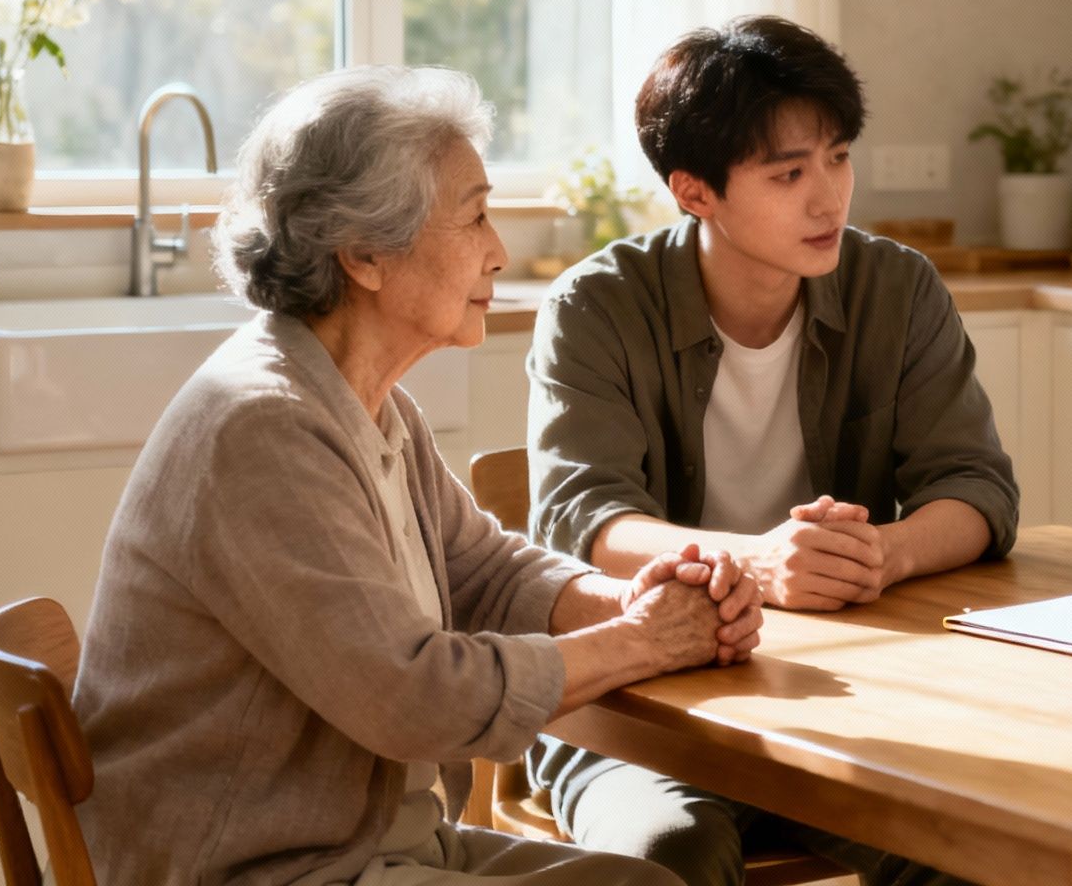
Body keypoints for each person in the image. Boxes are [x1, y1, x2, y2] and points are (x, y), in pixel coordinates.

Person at [71, 66, 764, 886]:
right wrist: (648, 639)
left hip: (367, 847)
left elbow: (484, 569)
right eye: (473, 217)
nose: (500, 251)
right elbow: (415, 699)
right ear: (364, 252)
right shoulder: (265, 427)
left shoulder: (362, 403)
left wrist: (639, 598)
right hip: (253, 867)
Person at [525, 15, 1016, 886]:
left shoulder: (895, 288)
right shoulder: (596, 305)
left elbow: (977, 488)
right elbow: (582, 520)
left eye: (838, 158)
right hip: (636, 705)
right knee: (670, 857)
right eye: (788, 173)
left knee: (985, 852)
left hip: (839, 700)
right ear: (694, 190)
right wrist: (759, 565)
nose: (828, 198)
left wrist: (884, 554)